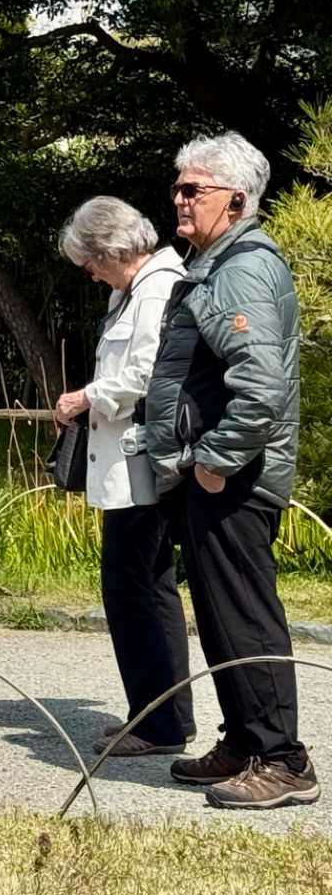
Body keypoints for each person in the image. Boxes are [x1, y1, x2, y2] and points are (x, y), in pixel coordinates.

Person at [140, 133, 315, 810]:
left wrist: (214, 461)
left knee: (245, 616)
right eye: (178, 188)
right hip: (216, 475)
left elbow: (261, 387)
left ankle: (284, 759)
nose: (180, 200)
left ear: (236, 200)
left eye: (194, 189)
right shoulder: (216, 264)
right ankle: (244, 742)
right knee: (219, 617)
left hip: (235, 478)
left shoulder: (242, 269)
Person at [55, 195, 191, 757]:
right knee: (149, 585)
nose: (90, 274)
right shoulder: (130, 290)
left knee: (131, 588)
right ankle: (164, 715)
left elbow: (147, 372)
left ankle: (158, 723)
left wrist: (86, 396)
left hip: (141, 462)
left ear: (111, 249)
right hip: (129, 461)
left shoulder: (157, 287)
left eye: (90, 261)